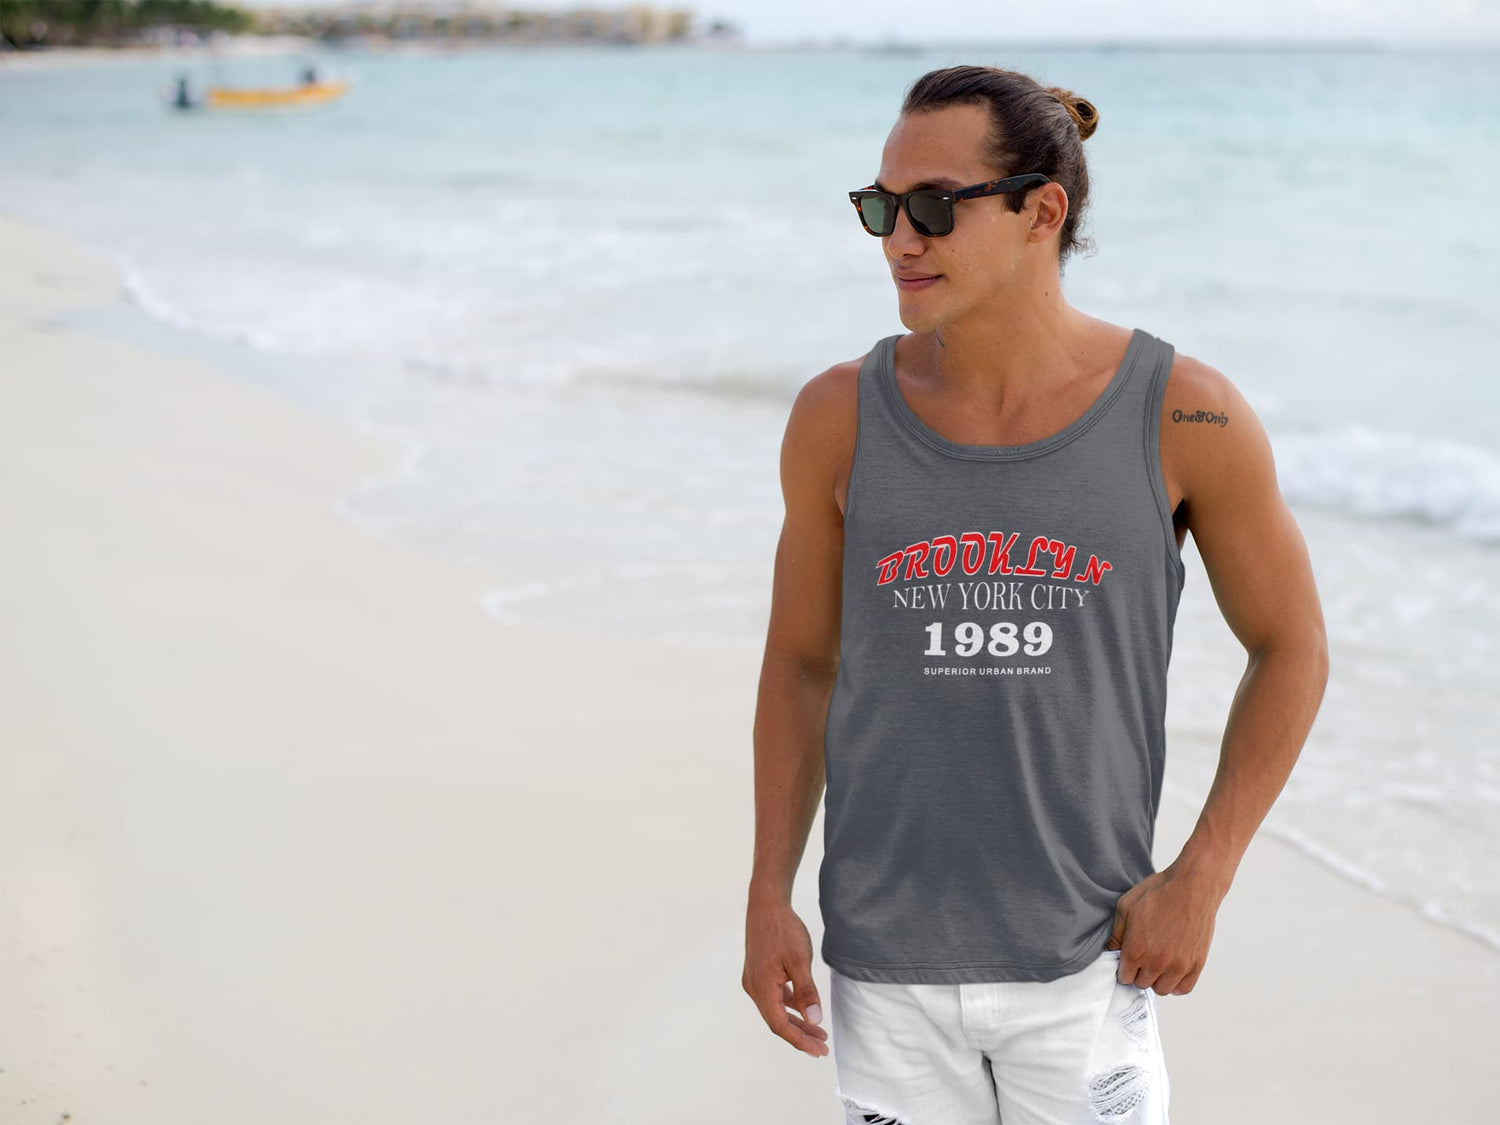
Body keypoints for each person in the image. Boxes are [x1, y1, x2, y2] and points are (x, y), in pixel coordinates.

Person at [742, 64, 1328, 1124]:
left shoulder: (1186, 416)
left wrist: (1203, 877)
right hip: (882, 972)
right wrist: (765, 892)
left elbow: (1292, 647)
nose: (898, 240)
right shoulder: (838, 416)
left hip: (1088, 969)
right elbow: (801, 664)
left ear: (1039, 212)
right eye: (880, 207)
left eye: (930, 208)